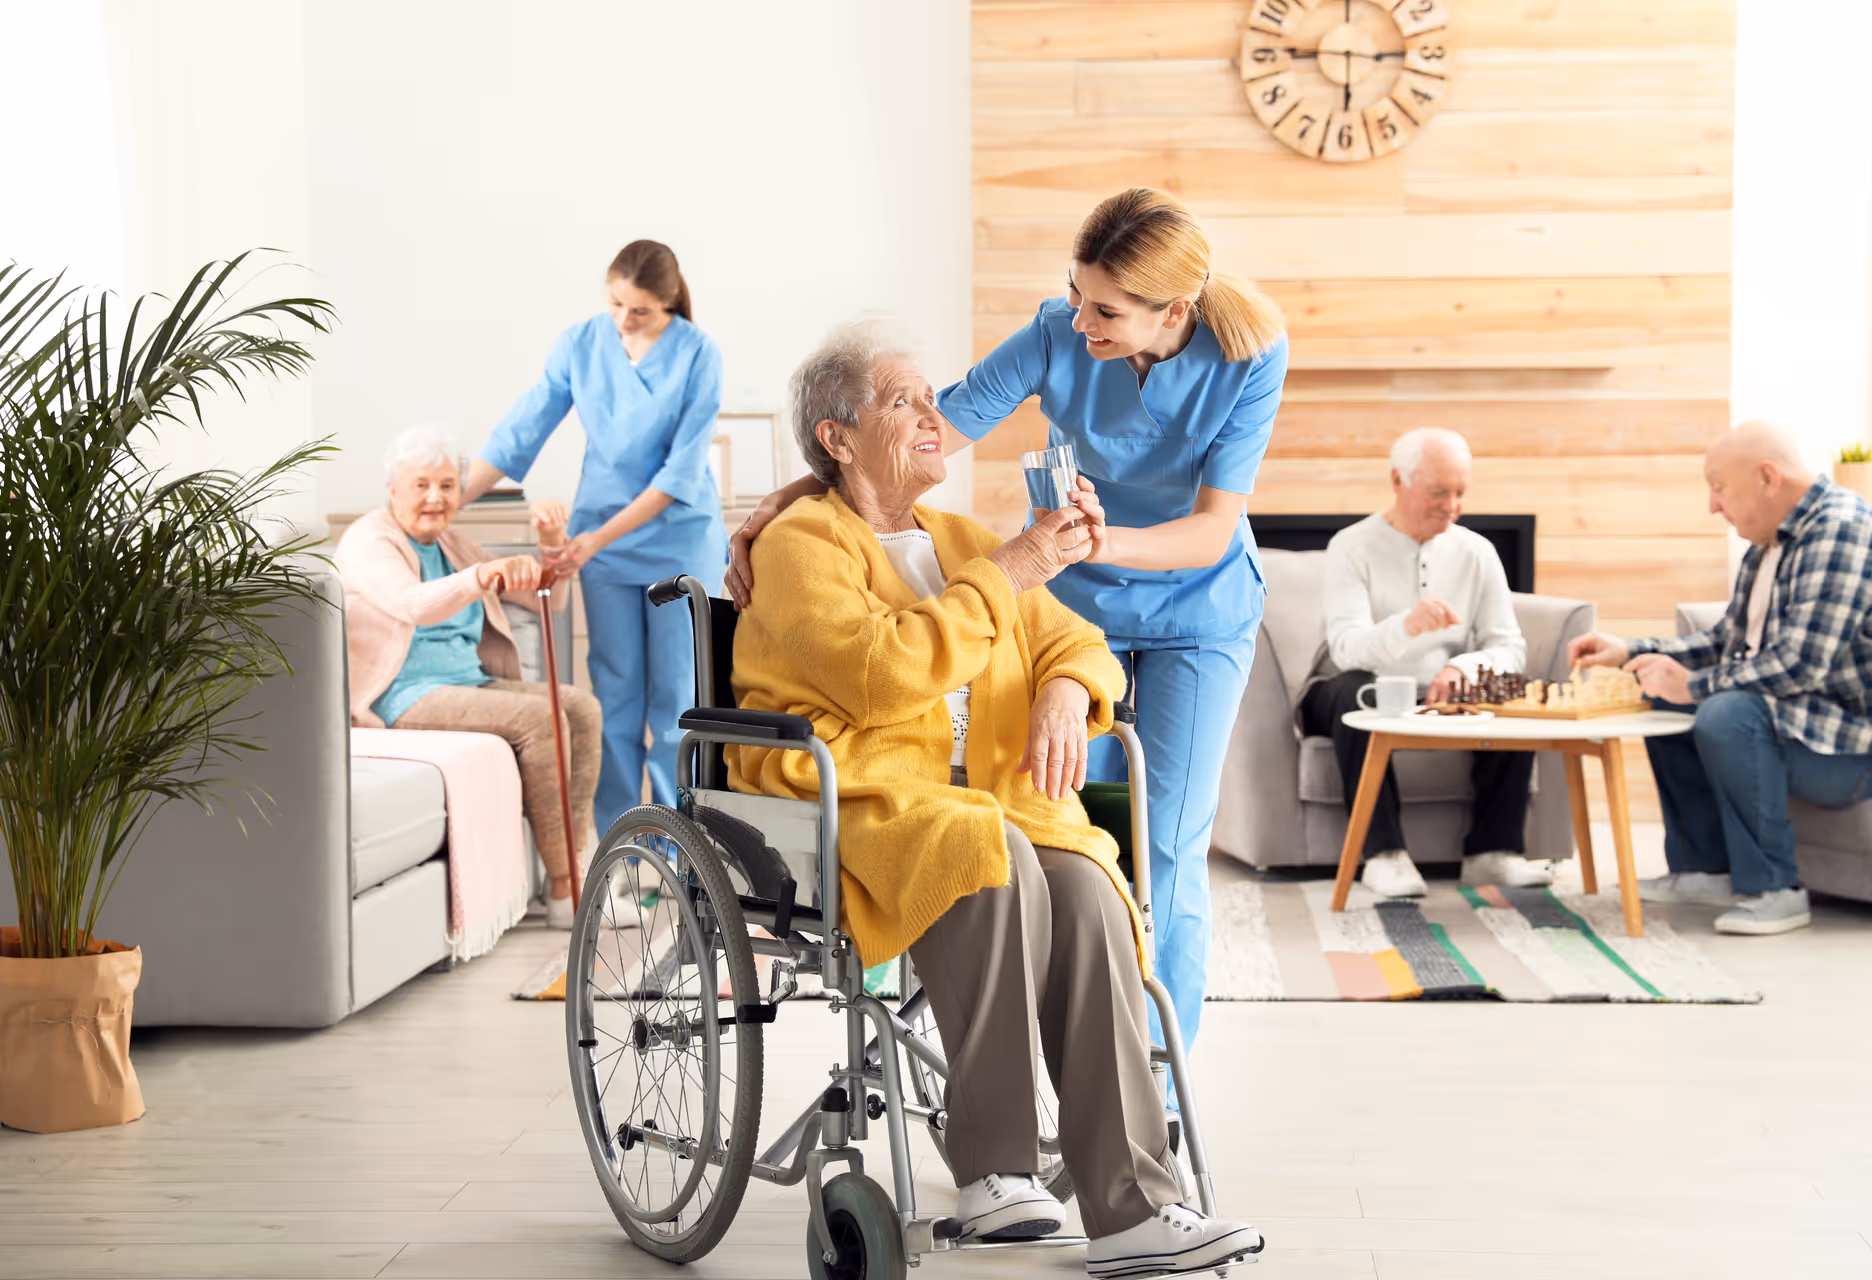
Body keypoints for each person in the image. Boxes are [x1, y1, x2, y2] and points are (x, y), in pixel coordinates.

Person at [726, 324, 1263, 1277]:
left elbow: (1076, 641)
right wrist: (1015, 569)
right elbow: (880, 673)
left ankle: (1134, 1203)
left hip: (990, 799)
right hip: (870, 793)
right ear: (836, 438)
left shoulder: (960, 538)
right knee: (992, 850)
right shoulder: (805, 543)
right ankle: (994, 1172)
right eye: (903, 402)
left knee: (1092, 889)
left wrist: (1065, 689)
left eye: (932, 397)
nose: (936, 417)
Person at [726, 188, 1286, 1063]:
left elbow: (1214, 526)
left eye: (1104, 309)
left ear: (1172, 311)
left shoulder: (1248, 353)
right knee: (1052, 817)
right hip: (1074, 604)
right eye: (1075, 291)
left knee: (1166, 844)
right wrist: (787, 500)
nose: (1079, 317)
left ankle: (1159, 1085)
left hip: (1195, 608)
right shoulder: (1059, 333)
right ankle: (1048, 1063)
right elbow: (924, 431)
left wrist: (1087, 543)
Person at [1570, 422, 1872, 935]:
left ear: (1767, 477)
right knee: (1663, 693)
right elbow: (1725, 644)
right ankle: (1704, 868)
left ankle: (1775, 888)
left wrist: (1691, 686)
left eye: (1719, 486)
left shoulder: (1844, 532)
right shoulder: (1770, 542)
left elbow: (1799, 664)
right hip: (1798, 725)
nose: (1713, 504)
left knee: (1727, 709)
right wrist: (1634, 651)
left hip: (1856, 748)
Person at [464, 240, 725, 831]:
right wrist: (454, 494)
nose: (623, 321)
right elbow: (523, 428)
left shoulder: (698, 354)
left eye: (640, 311)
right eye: (615, 305)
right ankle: (620, 843)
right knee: (614, 696)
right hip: (602, 545)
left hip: (676, 538)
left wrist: (593, 539)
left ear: (670, 302)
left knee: (676, 702)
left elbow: (677, 476)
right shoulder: (581, 344)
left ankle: (679, 849)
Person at [339, 425, 618, 929]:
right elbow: (413, 604)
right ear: (393, 488)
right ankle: (565, 889)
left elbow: (549, 601)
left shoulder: (452, 544)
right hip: (399, 695)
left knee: (581, 706)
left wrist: (550, 544)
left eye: (447, 486)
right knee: (541, 717)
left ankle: (583, 868)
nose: (435, 497)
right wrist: (482, 577)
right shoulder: (368, 541)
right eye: (421, 484)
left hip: (464, 684)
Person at [1301, 428, 1549, 899]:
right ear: (1398, 480)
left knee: (1516, 685)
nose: (1452, 505)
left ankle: (1492, 853)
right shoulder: (1351, 546)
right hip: (1347, 687)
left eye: (1460, 493)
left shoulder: (1477, 552)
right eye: (1439, 492)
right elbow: (1347, 648)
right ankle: (1385, 855)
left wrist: (1464, 669)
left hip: (1436, 693)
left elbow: (1508, 646)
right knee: (1356, 687)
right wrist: (1407, 626)